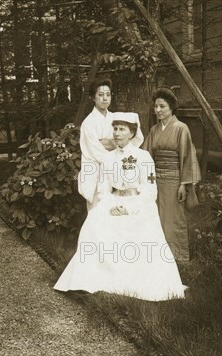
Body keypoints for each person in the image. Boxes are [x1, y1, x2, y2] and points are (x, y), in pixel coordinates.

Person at [54, 113, 186, 301]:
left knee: (135, 224)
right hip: (114, 201)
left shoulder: (143, 157)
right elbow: (103, 189)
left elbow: (150, 191)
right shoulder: (108, 159)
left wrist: (130, 209)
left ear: (132, 133)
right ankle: (88, 278)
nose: (116, 133)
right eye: (115, 129)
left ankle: (133, 280)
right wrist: (110, 206)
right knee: (93, 221)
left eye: (122, 129)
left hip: (138, 203)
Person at [143, 88, 201, 263]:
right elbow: (146, 155)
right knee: (156, 217)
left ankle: (178, 256)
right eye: (156, 106)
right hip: (155, 180)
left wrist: (184, 183)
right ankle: (158, 257)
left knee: (174, 219)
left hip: (174, 180)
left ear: (171, 108)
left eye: (162, 106)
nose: (158, 110)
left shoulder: (181, 128)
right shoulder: (154, 130)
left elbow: (187, 156)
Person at [78, 78, 144, 210]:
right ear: (93, 97)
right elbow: (96, 152)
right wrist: (115, 146)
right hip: (95, 171)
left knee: (115, 213)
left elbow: (134, 138)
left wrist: (111, 144)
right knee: (96, 213)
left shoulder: (115, 118)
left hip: (116, 169)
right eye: (100, 95)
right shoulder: (88, 123)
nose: (105, 98)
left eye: (108, 95)